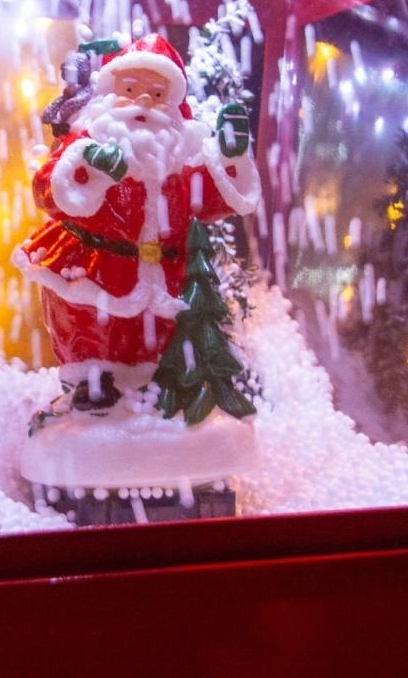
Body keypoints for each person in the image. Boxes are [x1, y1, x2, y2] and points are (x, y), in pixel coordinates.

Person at [15, 33, 260, 410]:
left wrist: (232, 158)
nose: (144, 100)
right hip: (96, 264)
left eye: (158, 93)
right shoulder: (88, 140)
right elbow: (49, 188)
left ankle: (150, 385)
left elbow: (211, 200)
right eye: (131, 88)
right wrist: (88, 167)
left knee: (153, 333)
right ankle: (91, 382)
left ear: (174, 102)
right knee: (89, 322)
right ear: (112, 90)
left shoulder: (180, 154)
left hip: (163, 267)